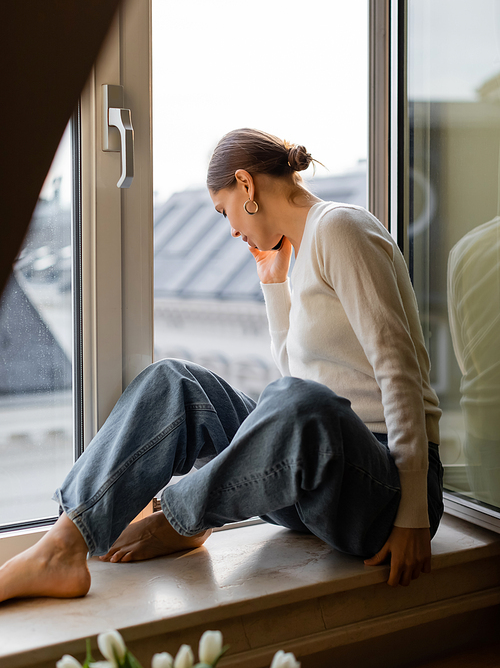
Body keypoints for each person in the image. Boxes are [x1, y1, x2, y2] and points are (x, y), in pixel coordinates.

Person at [0, 128, 443, 603]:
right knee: (173, 380)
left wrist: (412, 511)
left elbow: (397, 368)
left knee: (297, 402)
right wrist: (276, 286)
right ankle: (61, 547)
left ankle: (182, 516)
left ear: (245, 186)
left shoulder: (341, 227)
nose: (231, 229)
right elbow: (302, 378)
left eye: (223, 210)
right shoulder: (299, 253)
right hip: (314, 483)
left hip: (383, 486)